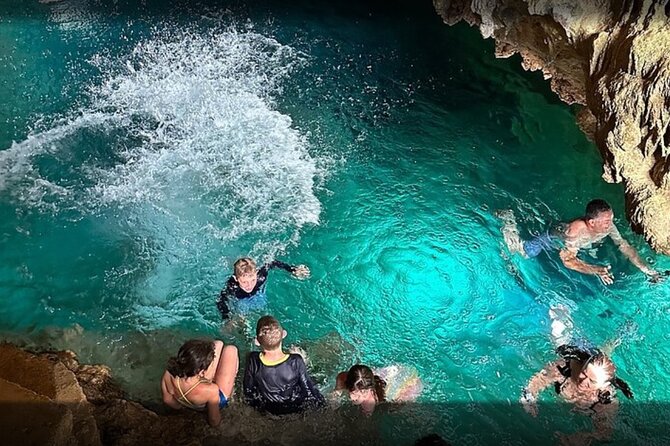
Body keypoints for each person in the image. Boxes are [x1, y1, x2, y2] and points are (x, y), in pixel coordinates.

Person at [520, 307, 633, 445]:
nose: (583, 381)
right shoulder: (567, 369)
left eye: (592, 381)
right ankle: (562, 310)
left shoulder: (605, 402)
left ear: (604, 385)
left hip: (596, 366)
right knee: (558, 334)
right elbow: (536, 382)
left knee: (607, 349)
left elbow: (604, 434)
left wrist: (586, 437)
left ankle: (621, 334)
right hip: (579, 352)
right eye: (584, 374)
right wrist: (529, 398)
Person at [499, 199, 660, 284]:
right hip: (551, 239)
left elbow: (624, 245)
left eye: (611, 219)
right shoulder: (575, 233)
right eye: (606, 221)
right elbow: (568, 261)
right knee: (524, 252)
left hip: (582, 242)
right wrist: (595, 270)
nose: (610, 224)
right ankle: (507, 219)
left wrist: (648, 270)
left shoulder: (607, 226)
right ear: (591, 222)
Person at [243, 315, 326, 415]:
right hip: (294, 408)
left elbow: (248, 391)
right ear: (283, 335)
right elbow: (308, 391)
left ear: (257, 341)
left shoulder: (252, 359)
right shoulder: (296, 360)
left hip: (269, 410)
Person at [161, 339, 239, 427]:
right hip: (214, 398)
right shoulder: (211, 390)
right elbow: (214, 421)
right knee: (231, 349)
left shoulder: (168, 374)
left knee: (218, 344)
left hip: (194, 393)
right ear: (202, 372)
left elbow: (168, 400)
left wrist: (186, 406)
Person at [217, 257, 310, 319]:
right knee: (241, 319)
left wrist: (291, 269)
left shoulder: (260, 277)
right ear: (236, 279)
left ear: (256, 274)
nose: (249, 285)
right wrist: (226, 316)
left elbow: (272, 263)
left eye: (252, 280)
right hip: (241, 299)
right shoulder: (232, 286)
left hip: (257, 294)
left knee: (266, 314)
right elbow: (221, 300)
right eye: (244, 282)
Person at [335, 364, 423, 415]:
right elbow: (335, 394)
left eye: (359, 393)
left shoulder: (369, 403)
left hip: (410, 383)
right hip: (392, 372)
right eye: (352, 391)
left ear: (367, 391)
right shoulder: (344, 378)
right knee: (363, 378)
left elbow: (366, 428)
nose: (352, 397)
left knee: (396, 408)